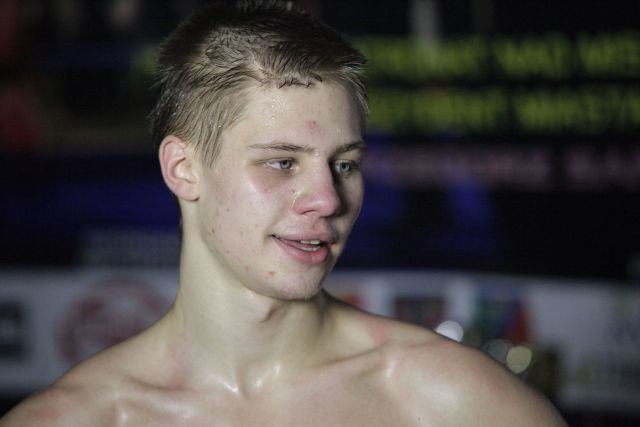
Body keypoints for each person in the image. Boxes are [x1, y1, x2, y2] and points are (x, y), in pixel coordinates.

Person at [1, 1, 567, 425]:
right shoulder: (79, 418)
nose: (327, 199)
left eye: (344, 165)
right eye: (281, 163)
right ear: (183, 168)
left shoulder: (449, 400)